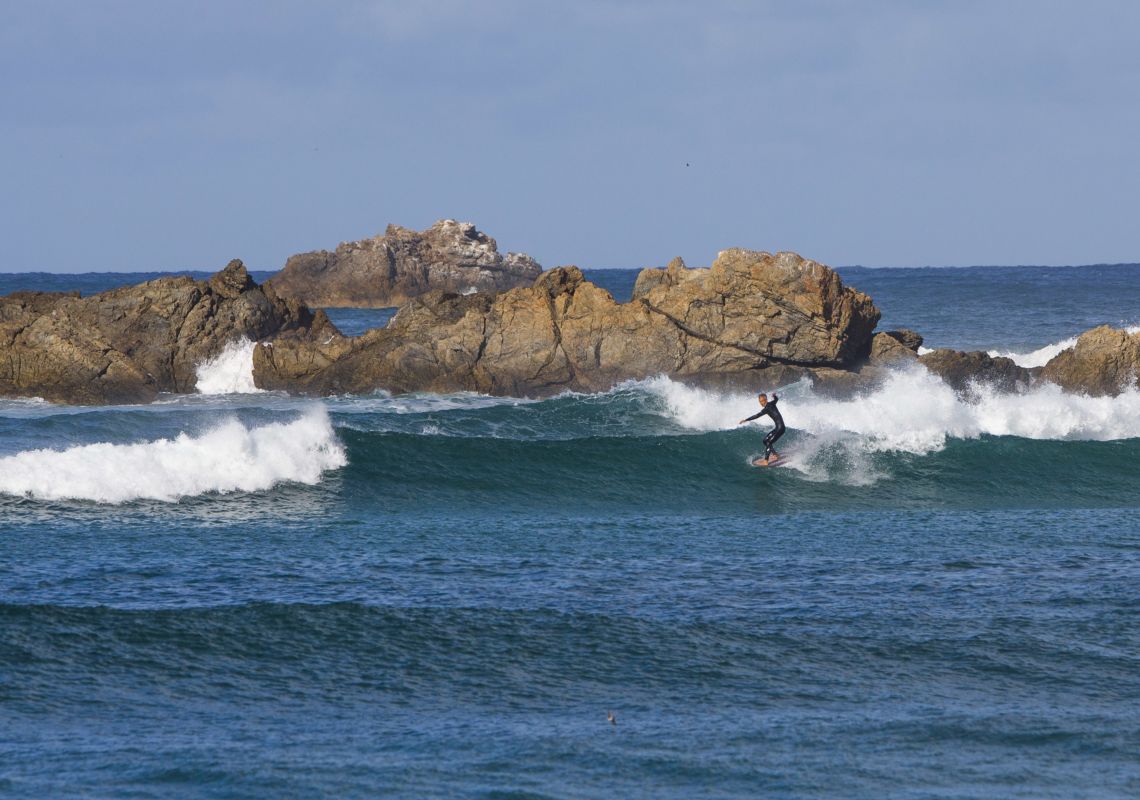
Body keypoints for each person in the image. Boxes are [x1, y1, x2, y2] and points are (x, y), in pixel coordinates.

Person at [738, 392, 785, 465]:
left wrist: (746, 419)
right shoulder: (772, 403)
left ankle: (766, 461)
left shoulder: (766, 408)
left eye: (762, 401)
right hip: (779, 427)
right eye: (760, 401)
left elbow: (757, 416)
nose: (761, 403)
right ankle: (776, 454)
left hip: (780, 428)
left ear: (766, 400)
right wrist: (774, 396)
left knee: (768, 442)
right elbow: (776, 399)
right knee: (765, 441)